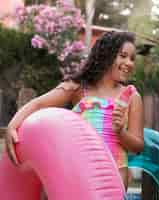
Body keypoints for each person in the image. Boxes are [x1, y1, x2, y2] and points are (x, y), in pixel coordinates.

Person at [5, 31, 144, 189]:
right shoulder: (79, 87)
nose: (129, 63)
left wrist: (120, 132)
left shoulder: (132, 96)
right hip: (78, 168)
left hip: (115, 171)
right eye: (123, 56)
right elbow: (38, 104)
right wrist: (13, 125)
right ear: (107, 55)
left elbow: (138, 146)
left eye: (132, 58)